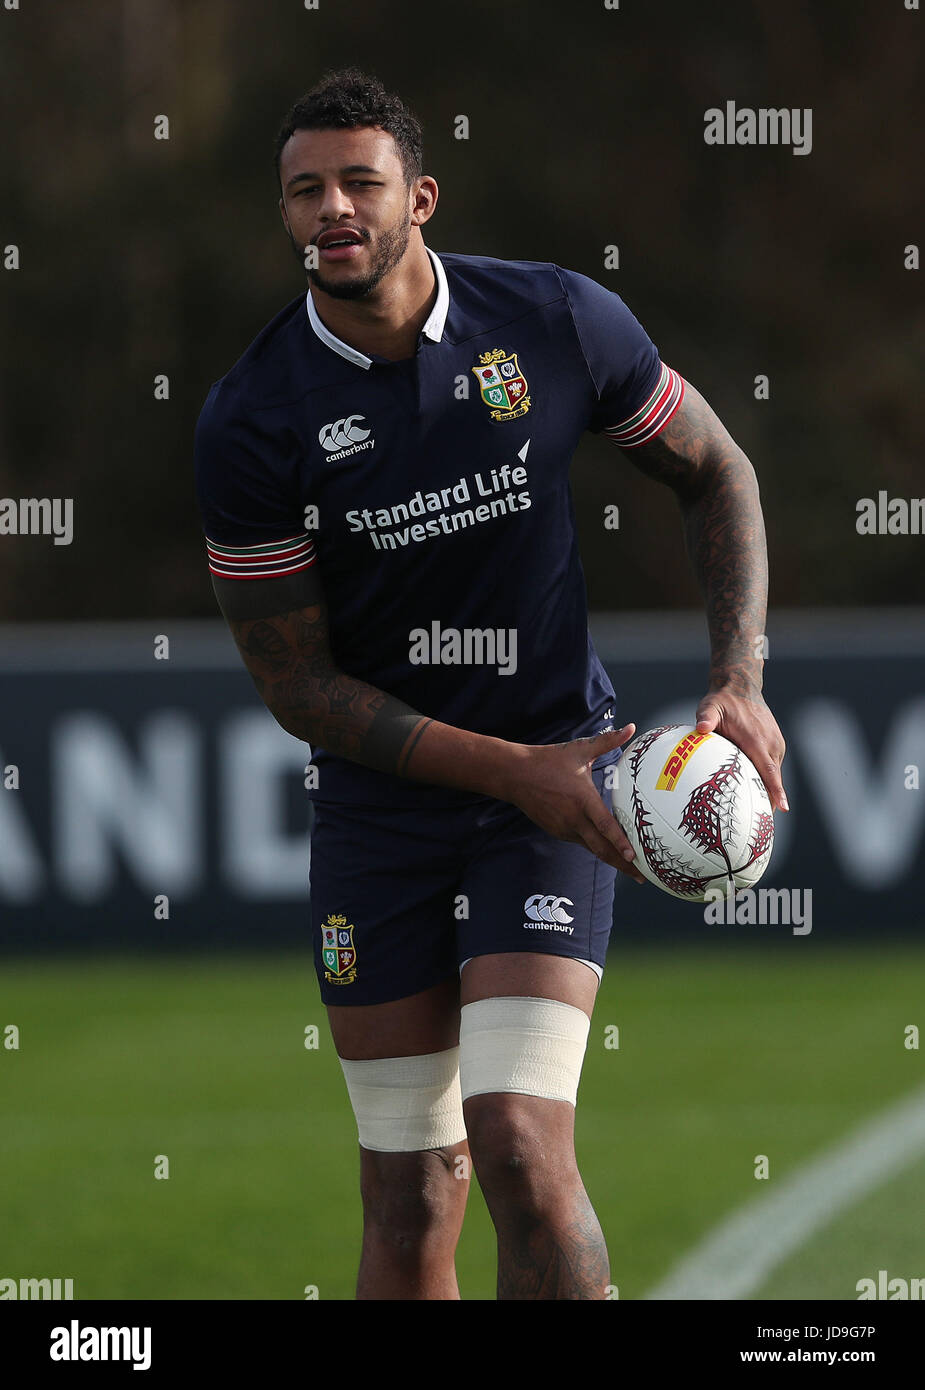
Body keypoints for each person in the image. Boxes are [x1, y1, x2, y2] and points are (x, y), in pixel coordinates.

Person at [194, 66, 787, 1300]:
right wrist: (514, 772)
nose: (332, 210)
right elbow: (301, 689)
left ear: (422, 194)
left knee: (519, 1142)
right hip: (389, 811)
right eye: (305, 191)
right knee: (412, 1189)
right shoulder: (251, 419)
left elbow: (715, 468)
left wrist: (738, 676)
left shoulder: (555, 320)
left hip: (558, 787)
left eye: (360, 182)